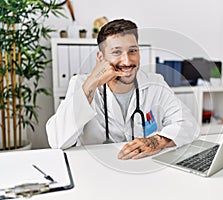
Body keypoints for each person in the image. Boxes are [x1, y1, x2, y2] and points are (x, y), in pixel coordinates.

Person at [46, 19, 200, 160]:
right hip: (96, 172)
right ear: (101, 58)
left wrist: (155, 141)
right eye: (116, 52)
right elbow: (57, 140)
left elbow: (189, 124)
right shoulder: (81, 83)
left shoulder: (155, 83)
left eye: (133, 51)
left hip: (143, 167)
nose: (127, 61)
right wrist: (91, 83)